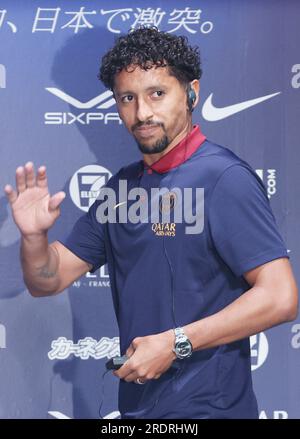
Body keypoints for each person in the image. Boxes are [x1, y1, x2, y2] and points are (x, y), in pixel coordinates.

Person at [4, 27, 298, 419]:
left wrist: (177, 343)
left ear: (191, 91)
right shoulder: (121, 188)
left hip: (211, 412)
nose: (142, 113)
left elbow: (281, 297)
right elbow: (47, 280)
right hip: (138, 412)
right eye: (128, 98)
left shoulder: (225, 178)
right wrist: (34, 237)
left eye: (157, 93)